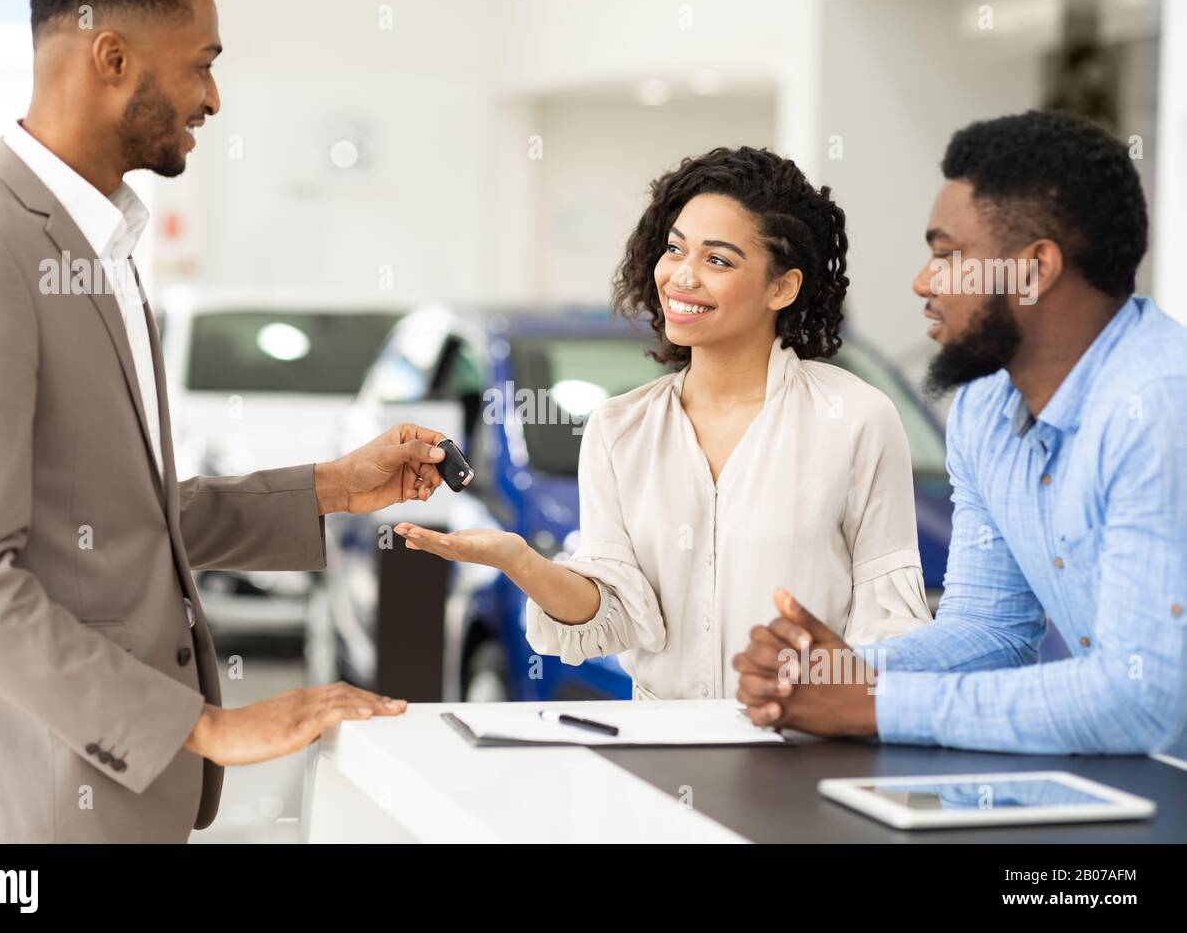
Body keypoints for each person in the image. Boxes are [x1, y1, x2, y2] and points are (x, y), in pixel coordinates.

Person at [0, 0, 449, 843]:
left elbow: (114, 526)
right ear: (111, 58)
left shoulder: (97, 245)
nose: (212, 99)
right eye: (202, 65)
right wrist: (207, 726)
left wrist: (331, 487)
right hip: (30, 818)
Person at [395, 146, 931, 701]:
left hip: (802, 739)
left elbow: (889, 621)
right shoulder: (619, 428)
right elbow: (615, 616)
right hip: (660, 742)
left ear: (782, 288)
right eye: (675, 249)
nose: (682, 276)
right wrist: (519, 560)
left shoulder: (856, 419)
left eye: (718, 260)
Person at [734, 110, 1187, 759]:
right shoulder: (984, 408)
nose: (923, 282)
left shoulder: (1159, 406)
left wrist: (873, 703)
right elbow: (988, 629)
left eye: (948, 256)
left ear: (1034, 269)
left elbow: (1141, 699)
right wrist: (832, 673)